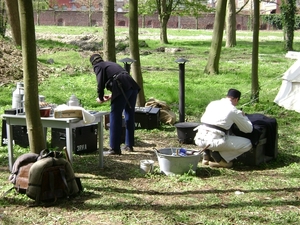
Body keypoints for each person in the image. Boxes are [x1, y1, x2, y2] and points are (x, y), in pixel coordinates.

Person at [90, 53, 140, 155]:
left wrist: (100, 97)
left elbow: (100, 84)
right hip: (132, 85)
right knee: (129, 114)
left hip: (121, 86)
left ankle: (114, 148)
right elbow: (120, 78)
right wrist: (113, 95)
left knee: (115, 116)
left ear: (93, 63)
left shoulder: (98, 66)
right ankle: (129, 145)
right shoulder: (110, 64)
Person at [194, 88, 253, 168]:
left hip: (199, 138)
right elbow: (248, 129)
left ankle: (207, 154)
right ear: (236, 99)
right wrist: (244, 116)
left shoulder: (212, 103)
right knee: (248, 144)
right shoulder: (233, 110)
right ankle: (221, 159)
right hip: (214, 141)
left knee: (219, 131)